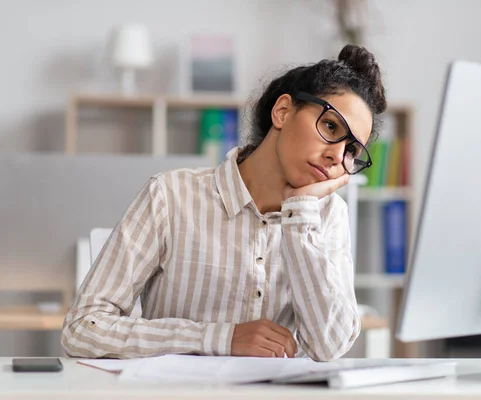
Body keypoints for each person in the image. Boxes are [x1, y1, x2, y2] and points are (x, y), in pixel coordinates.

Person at [61, 44, 387, 362]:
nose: (336, 155)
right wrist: (218, 337)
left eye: (351, 152)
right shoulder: (170, 196)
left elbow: (328, 347)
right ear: (283, 110)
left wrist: (300, 216)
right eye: (331, 126)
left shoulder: (329, 215)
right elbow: (82, 327)